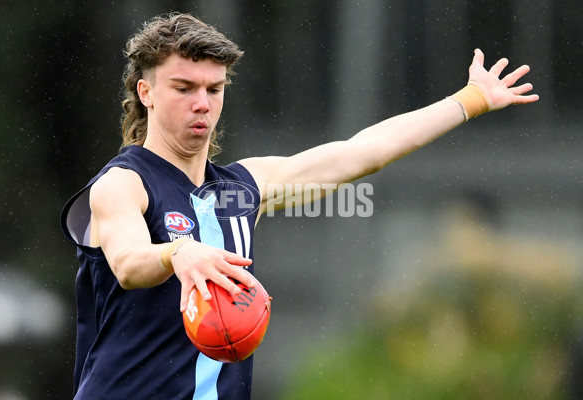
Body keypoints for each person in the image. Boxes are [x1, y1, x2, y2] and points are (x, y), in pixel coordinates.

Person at [60, 11, 538, 400]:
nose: (202, 103)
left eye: (214, 89)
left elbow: (360, 154)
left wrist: (471, 99)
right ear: (146, 93)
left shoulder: (245, 187)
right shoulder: (123, 183)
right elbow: (127, 263)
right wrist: (176, 253)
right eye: (183, 88)